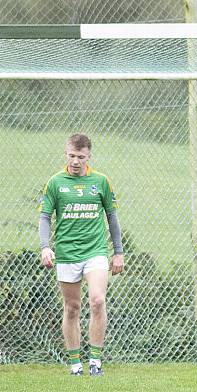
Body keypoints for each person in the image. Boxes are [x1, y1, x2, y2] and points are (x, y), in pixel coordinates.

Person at [39, 134, 124, 376]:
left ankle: (95, 361)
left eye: (81, 157)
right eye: (72, 156)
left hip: (95, 251)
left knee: (97, 300)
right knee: (72, 307)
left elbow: (112, 217)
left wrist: (118, 253)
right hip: (66, 254)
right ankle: (75, 364)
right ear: (66, 154)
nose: (76, 161)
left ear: (89, 157)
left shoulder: (101, 181)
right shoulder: (55, 183)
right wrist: (45, 246)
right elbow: (45, 217)